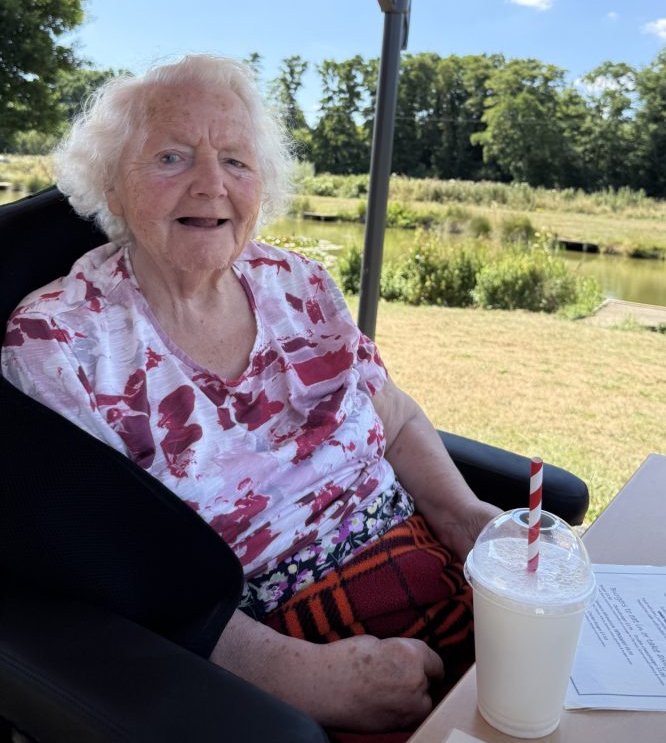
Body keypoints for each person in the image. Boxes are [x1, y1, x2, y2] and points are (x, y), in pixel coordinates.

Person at [1, 54, 500, 738]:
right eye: (172, 157)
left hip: (432, 572)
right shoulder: (60, 340)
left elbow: (395, 414)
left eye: (236, 161)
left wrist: (466, 518)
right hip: (277, 657)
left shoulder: (298, 282)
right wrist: (307, 680)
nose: (211, 185)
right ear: (112, 186)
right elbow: (117, 571)